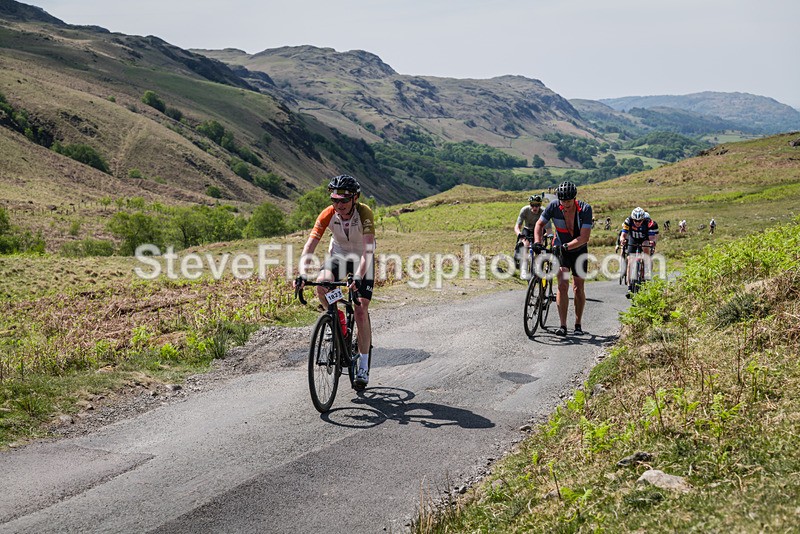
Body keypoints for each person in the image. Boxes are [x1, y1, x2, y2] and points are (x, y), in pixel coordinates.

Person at [294, 174, 375, 387]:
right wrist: (302, 273)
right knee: (322, 285)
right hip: (338, 257)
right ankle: (337, 320)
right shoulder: (328, 214)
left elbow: (368, 250)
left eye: (344, 200)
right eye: (334, 199)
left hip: (362, 260)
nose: (338, 204)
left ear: (355, 198)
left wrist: (358, 276)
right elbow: (309, 247)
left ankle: (364, 366)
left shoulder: (364, 213)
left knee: (360, 309)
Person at [534, 181, 593, 337]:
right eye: (563, 201)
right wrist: (537, 243)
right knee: (562, 284)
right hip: (561, 251)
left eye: (568, 201)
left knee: (578, 287)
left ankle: (578, 323)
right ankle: (563, 325)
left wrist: (567, 246)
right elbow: (539, 224)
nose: (565, 204)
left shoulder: (585, 209)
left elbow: (584, 237)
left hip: (579, 250)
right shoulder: (553, 206)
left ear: (574, 198)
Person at [620, 207, 659, 298]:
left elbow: (652, 238)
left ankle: (646, 269)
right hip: (633, 239)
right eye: (635, 221)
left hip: (644, 239)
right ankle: (630, 287)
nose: (637, 223)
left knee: (646, 246)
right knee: (630, 260)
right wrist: (622, 239)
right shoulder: (628, 221)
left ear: (643, 219)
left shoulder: (649, 223)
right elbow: (624, 233)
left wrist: (652, 243)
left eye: (640, 221)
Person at [513, 195, 549, 272]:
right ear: (530, 205)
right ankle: (523, 264)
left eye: (537, 205)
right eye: (532, 205)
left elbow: (548, 228)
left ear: (540, 205)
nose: (534, 208)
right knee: (524, 245)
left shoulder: (544, 211)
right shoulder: (525, 210)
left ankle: (538, 267)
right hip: (527, 229)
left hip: (540, 230)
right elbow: (517, 226)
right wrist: (519, 234)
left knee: (539, 246)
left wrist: (547, 235)